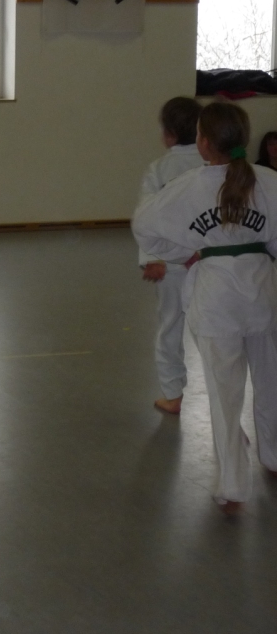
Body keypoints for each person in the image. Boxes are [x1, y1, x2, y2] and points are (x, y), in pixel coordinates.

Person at [133, 102, 277, 515]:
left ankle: (233, 486)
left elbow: (144, 225)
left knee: (224, 392)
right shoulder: (269, 181)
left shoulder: (189, 186)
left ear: (203, 143)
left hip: (215, 297)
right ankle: (273, 455)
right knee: (270, 381)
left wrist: (184, 251)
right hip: (261, 290)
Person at [134, 97, 205, 415]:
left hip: (172, 263)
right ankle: (223, 386)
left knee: (170, 327)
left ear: (169, 134)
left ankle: (173, 394)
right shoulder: (213, 165)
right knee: (211, 326)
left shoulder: (159, 169)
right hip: (211, 262)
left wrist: (152, 257)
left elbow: (146, 217)